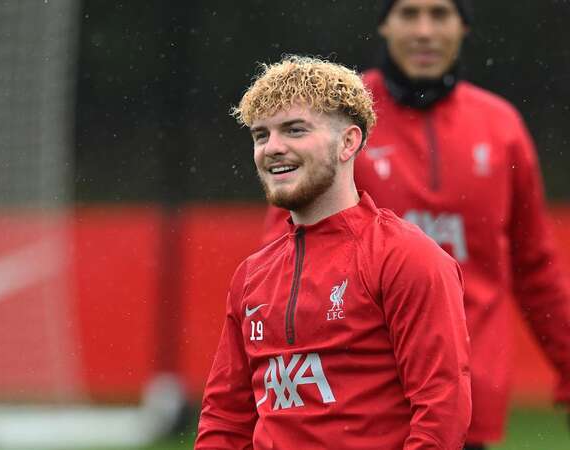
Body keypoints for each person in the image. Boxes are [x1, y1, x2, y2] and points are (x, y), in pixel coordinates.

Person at [260, 1, 570, 449]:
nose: (424, 31)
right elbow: (288, 257)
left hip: (467, 399)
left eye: (440, 14)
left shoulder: (501, 127)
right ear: (384, 24)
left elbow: (535, 267)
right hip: (359, 405)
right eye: (409, 14)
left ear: (463, 25)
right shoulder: (333, 120)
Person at [195, 56, 471, 450]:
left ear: (348, 142)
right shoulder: (250, 276)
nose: (273, 148)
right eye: (261, 135)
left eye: (294, 130)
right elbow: (224, 420)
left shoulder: (407, 258)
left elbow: (441, 410)